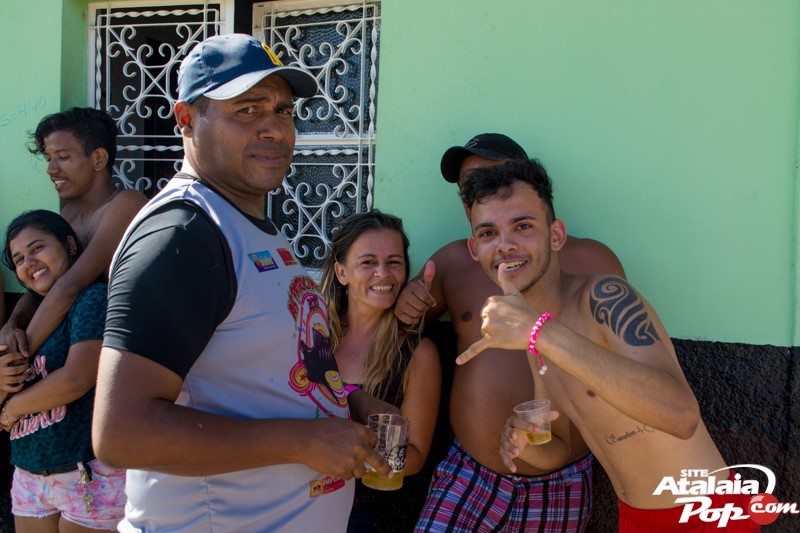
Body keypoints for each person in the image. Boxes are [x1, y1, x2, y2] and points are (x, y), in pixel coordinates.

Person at [91, 33, 391, 532]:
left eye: (283, 111)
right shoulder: (184, 235)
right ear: (187, 119)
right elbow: (122, 433)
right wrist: (303, 441)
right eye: (248, 109)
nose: (274, 128)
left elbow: (259, 369)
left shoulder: (247, 223)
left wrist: (348, 402)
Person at [456, 159, 760, 532]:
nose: (505, 245)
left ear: (556, 236)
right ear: (475, 248)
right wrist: (526, 443)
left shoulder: (604, 297)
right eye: (489, 233)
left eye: (523, 226)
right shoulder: (537, 336)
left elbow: (681, 417)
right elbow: (559, 446)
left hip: (702, 514)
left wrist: (539, 331)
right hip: (633, 517)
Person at [403, 134, 625, 532]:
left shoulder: (593, 261)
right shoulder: (451, 262)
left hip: (562, 480)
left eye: (493, 177)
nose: (480, 190)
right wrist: (405, 307)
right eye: (468, 186)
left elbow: (627, 369)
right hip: (468, 473)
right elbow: (400, 331)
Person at [1, 209, 126, 531]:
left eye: (37, 248)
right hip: (29, 473)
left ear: (70, 245)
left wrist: (10, 409)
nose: (29, 262)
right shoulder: (23, 322)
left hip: (87, 474)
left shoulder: (92, 299)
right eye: (18, 259)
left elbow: (76, 378)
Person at [320, 211, 441, 532]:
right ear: (341, 272)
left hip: (365, 509)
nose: (383, 273)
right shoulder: (312, 334)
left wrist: (356, 456)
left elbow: (416, 456)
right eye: (368, 262)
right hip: (299, 491)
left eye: (394, 262)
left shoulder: (417, 354)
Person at [0, 107, 147, 359]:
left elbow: (71, 285)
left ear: (98, 159)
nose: (51, 169)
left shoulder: (127, 203)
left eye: (63, 157)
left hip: (124, 350)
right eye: (48, 158)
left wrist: (19, 361)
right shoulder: (68, 214)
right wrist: (11, 325)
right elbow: (36, 293)